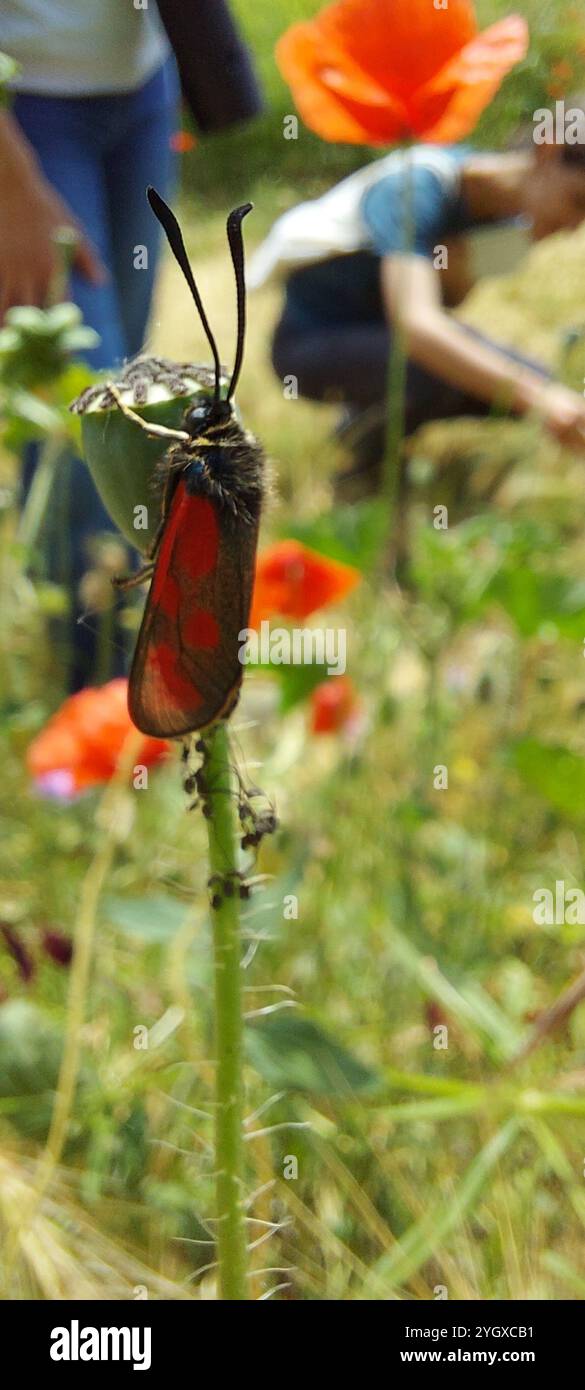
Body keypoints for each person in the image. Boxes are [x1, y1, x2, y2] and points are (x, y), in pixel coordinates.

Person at [0, 0, 261, 690]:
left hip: (142, 83)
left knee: (125, 383)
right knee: (94, 411)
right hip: (24, 109)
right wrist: (9, 185)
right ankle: (102, 696)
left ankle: (147, 653)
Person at [249, 127, 585, 497]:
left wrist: (539, 391)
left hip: (384, 343)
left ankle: (368, 429)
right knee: (453, 375)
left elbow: (448, 303)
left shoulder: (505, 221)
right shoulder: (419, 185)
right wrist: (539, 398)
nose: (573, 227)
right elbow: (417, 325)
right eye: (579, 201)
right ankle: (361, 468)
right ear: (549, 150)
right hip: (308, 346)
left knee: (529, 380)